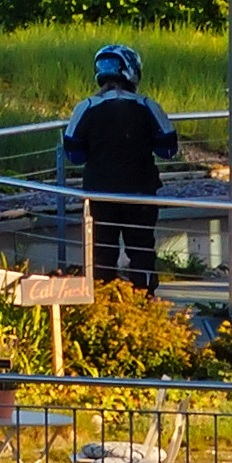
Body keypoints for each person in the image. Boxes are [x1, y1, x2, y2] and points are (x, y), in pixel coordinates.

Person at [65, 43, 182, 289]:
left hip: (98, 192)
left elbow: (73, 154)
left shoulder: (85, 107)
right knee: (141, 251)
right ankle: (145, 302)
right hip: (140, 193)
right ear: (132, 71)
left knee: (102, 252)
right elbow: (169, 149)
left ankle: (102, 302)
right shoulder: (148, 105)